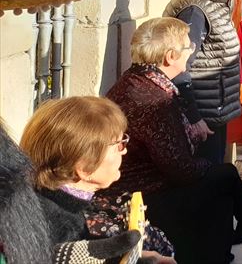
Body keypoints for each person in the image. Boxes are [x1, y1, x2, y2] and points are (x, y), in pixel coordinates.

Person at [104, 17, 242, 263]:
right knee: (223, 175)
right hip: (144, 197)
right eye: (188, 48)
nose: (192, 53)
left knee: (223, 180)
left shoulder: (135, 80)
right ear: (170, 56)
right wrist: (206, 166)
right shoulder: (154, 101)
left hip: (142, 184)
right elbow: (180, 170)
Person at [19, 97, 175, 263]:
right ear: (85, 168)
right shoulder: (59, 224)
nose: (124, 151)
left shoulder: (45, 199)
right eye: (119, 144)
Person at [163, 0, 242, 163]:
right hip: (202, 114)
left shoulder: (214, 3)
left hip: (214, 109)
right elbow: (179, 68)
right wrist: (194, 117)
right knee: (205, 178)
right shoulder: (194, 10)